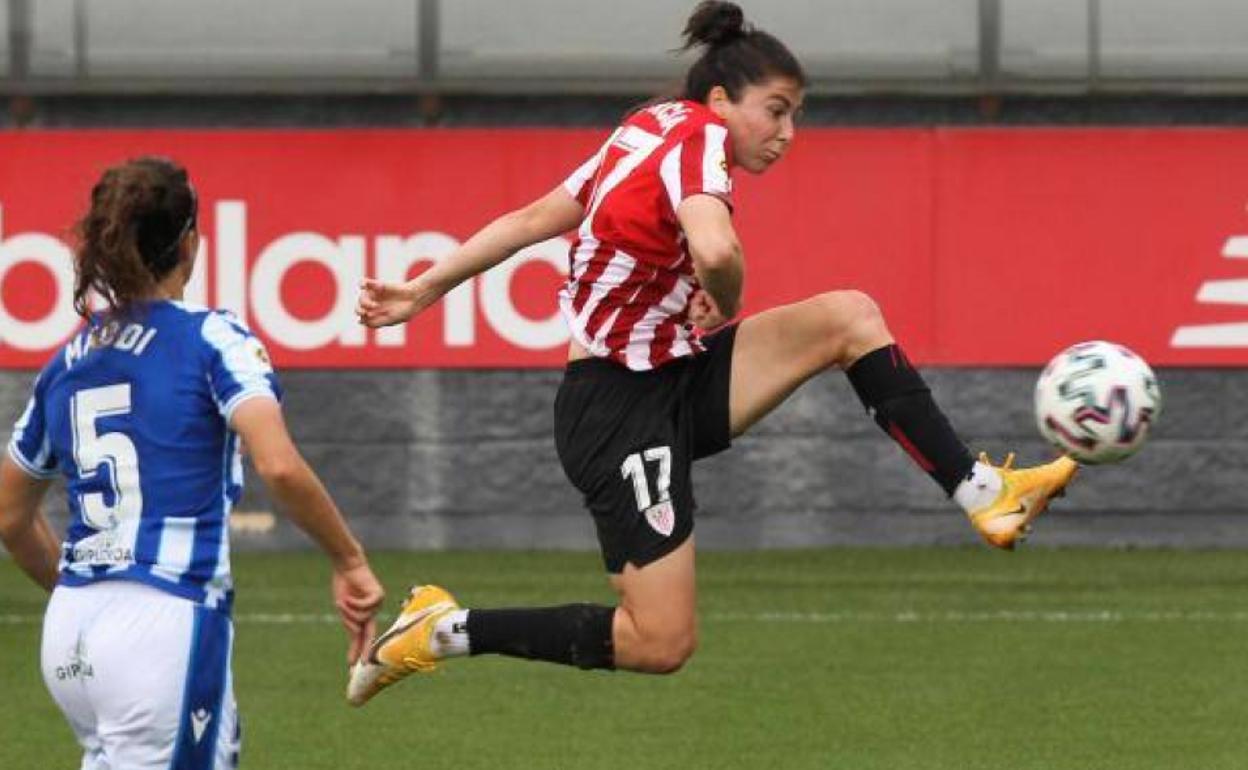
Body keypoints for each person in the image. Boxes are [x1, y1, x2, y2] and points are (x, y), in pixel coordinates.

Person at [347, 0, 1077, 704]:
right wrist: (722, 296)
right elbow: (716, 246)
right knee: (658, 642)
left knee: (849, 318)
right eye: (778, 110)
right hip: (618, 412)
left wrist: (427, 287)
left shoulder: (648, 125)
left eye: (797, 115)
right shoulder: (699, 141)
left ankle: (984, 495)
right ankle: (442, 630)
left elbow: (538, 217)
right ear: (722, 99)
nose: (788, 132)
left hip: (672, 376)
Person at [0, 157, 384, 768]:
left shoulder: (66, 361)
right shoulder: (213, 338)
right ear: (190, 243)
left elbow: (11, 517)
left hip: (71, 630)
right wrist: (349, 560)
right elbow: (279, 465)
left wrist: (88, 593)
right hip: (162, 623)